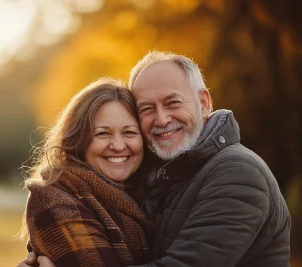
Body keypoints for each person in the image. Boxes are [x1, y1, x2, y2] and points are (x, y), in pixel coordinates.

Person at [19, 51, 291, 267]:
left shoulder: (236, 172)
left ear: (204, 103)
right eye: (147, 108)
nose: (161, 119)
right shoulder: (162, 177)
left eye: (173, 103)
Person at [20, 78, 150, 267]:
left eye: (130, 132)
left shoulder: (153, 194)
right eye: (102, 134)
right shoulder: (53, 199)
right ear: (79, 139)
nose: (119, 146)